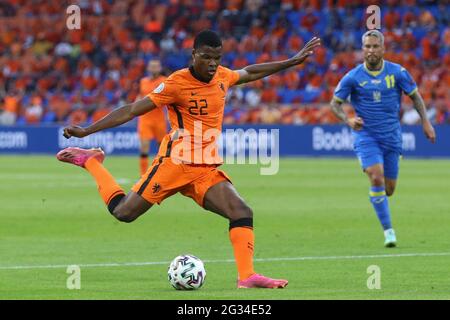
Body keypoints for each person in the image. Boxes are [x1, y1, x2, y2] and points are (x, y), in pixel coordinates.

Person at [57, 30, 321, 288]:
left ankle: (247, 276)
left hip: (205, 167)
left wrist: (292, 61)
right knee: (124, 213)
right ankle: (91, 161)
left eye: (217, 57)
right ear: (194, 54)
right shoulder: (176, 83)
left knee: (241, 212)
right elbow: (132, 110)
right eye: (206, 57)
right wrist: (88, 130)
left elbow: (250, 72)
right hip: (175, 163)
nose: (212, 63)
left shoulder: (221, 76)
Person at [330, 30, 436, 247]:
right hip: (366, 136)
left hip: (392, 137)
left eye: (375, 46)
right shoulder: (352, 77)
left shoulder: (398, 73)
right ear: (362, 49)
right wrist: (348, 120)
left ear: (383, 49)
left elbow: (415, 97)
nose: (371, 50)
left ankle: (380, 198)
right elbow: (334, 104)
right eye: (367, 46)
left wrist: (425, 121)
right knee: (376, 177)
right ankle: (389, 232)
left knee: (389, 189)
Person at [136, 59, 168, 176]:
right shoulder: (143, 81)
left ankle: (161, 172)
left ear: (159, 68)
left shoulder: (165, 81)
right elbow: (139, 96)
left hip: (159, 119)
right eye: (152, 66)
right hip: (145, 119)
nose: (154, 69)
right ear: (148, 68)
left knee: (162, 148)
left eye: (156, 66)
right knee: (144, 146)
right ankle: (143, 175)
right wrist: (133, 109)